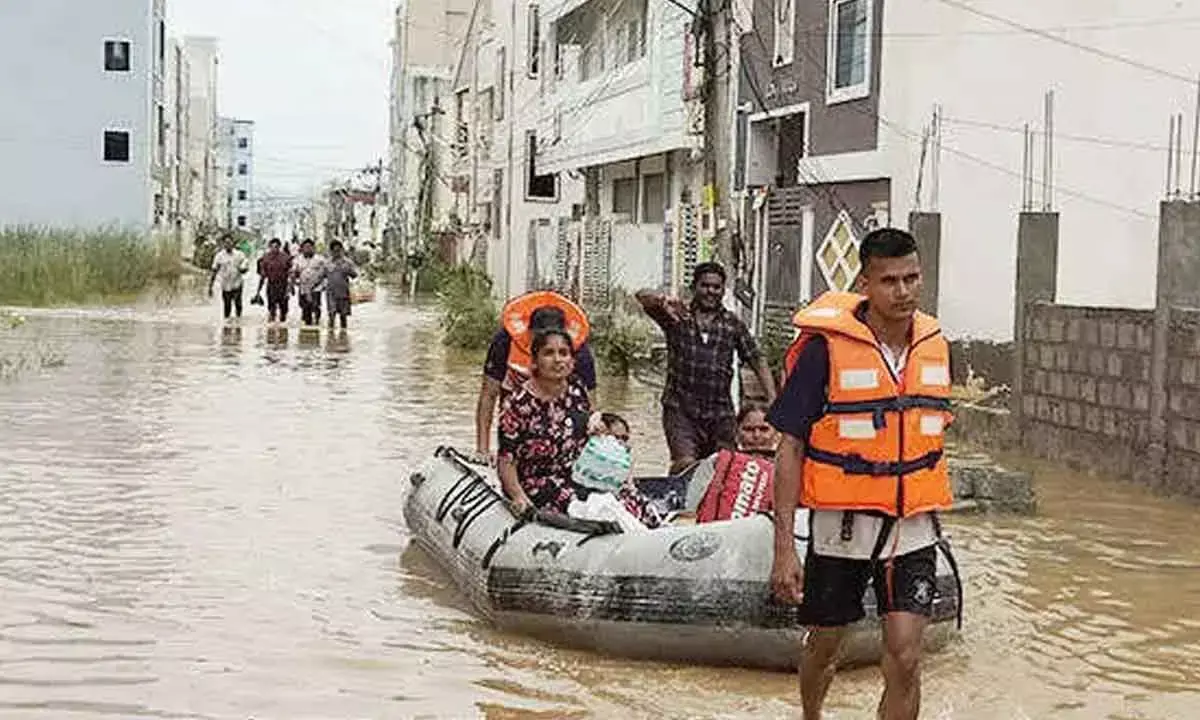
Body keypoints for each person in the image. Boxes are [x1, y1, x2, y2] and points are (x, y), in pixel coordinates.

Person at [768, 228, 954, 720]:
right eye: (889, 281)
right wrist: (784, 547)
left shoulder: (935, 344)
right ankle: (812, 714)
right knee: (826, 648)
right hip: (841, 529)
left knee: (907, 656)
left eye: (912, 278)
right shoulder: (823, 351)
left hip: (912, 525)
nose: (904, 292)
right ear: (864, 284)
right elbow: (789, 449)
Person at [636, 263, 777, 474]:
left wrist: (774, 400)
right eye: (705, 286)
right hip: (680, 408)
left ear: (722, 290)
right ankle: (679, 505)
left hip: (720, 412)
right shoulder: (676, 317)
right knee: (685, 464)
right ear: (694, 287)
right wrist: (663, 300)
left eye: (716, 287)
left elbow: (756, 359)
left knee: (725, 470)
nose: (711, 291)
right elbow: (641, 296)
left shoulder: (732, 324)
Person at [475, 291, 597, 463]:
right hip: (516, 402)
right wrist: (482, 451)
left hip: (562, 409)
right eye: (546, 350)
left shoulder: (580, 354)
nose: (556, 358)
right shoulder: (505, 341)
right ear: (529, 332)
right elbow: (488, 394)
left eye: (561, 352)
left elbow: (591, 408)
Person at [496, 329, 592, 516]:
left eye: (564, 353)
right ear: (534, 362)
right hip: (535, 483)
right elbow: (506, 461)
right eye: (549, 353)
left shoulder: (577, 390)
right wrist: (518, 497)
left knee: (622, 499)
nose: (558, 360)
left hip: (575, 476)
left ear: (572, 362)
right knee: (579, 506)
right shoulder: (517, 405)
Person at [209, 233, 249, 321]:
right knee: (227, 306)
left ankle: (239, 324)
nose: (228, 244)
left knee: (238, 304)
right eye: (226, 243)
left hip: (237, 284)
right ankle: (227, 326)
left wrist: (243, 269)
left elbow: (245, 267)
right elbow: (214, 271)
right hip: (225, 285)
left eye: (229, 242)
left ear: (233, 243)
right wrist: (210, 286)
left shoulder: (239, 254)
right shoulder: (219, 256)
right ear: (223, 244)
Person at [255, 238, 293, 324]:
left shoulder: (286, 257)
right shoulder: (266, 258)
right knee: (271, 308)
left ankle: (283, 330)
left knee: (284, 309)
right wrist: (258, 290)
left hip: (283, 285)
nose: (274, 249)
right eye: (272, 247)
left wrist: (291, 287)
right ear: (269, 247)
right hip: (271, 285)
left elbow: (291, 273)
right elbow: (262, 275)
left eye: (276, 247)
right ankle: (271, 331)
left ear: (279, 247)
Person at [291, 239, 328, 327]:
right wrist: (292, 285)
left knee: (315, 306)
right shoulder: (297, 260)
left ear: (313, 248)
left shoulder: (320, 259)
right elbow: (293, 273)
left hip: (316, 288)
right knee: (305, 307)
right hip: (303, 288)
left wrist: (325, 285)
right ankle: (307, 329)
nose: (308, 249)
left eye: (310, 247)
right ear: (302, 248)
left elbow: (326, 273)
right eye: (305, 247)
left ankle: (316, 322)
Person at [324, 240, 359, 330]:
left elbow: (355, 275)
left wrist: (347, 270)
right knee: (331, 314)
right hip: (331, 292)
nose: (337, 253)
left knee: (343, 316)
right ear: (331, 251)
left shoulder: (347, 262)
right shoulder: (327, 263)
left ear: (342, 250)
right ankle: (330, 336)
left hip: (343, 292)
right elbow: (321, 276)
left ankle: (343, 335)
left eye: (339, 251)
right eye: (335, 251)